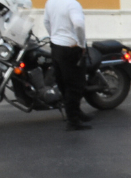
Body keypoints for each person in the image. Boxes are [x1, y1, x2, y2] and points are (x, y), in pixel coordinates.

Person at [43, 0, 91, 130]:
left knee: (63, 83)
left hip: (56, 47)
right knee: (76, 85)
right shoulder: (72, 4)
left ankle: (76, 112)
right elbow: (79, 25)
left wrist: (54, 36)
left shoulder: (50, 3)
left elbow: (46, 22)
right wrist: (81, 44)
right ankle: (73, 120)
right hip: (71, 47)